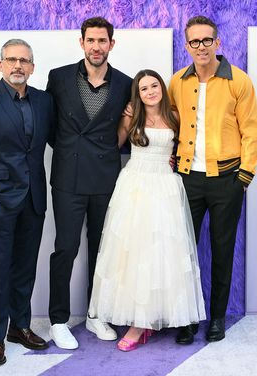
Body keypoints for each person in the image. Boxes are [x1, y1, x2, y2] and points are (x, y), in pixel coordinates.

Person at [88, 69, 206, 352]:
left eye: (155, 85)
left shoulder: (176, 116)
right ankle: (137, 322)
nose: (150, 91)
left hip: (165, 186)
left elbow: (189, 147)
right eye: (144, 88)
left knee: (163, 251)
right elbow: (114, 145)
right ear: (137, 94)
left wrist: (177, 160)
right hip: (135, 185)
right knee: (134, 251)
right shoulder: (131, 115)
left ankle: (154, 317)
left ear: (162, 89)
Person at [169, 16, 257, 345]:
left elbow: (251, 131)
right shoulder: (177, 81)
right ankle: (188, 319)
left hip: (227, 180)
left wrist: (244, 177)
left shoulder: (239, 81)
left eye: (207, 40)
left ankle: (217, 318)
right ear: (186, 46)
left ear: (218, 43)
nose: (201, 47)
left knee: (222, 251)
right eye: (194, 42)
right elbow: (169, 122)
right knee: (184, 253)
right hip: (187, 180)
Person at [46, 17, 132, 350]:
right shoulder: (59, 77)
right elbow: (51, 127)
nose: (96, 46)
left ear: (112, 44)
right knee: (65, 248)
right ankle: (58, 320)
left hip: (106, 177)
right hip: (67, 176)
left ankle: (96, 314)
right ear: (81, 42)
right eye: (91, 40)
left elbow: (127, 129)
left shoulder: (125, 83)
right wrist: (70, 152)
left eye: (103, 41)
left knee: (101, 250)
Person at [0, 38, 53, 366]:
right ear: (0, 65)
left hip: (33, 199)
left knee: (25, 269)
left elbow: (59, 139)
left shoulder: (44, 101)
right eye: (12, 60)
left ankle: (20, 327)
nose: (18, 66)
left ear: (32, 67)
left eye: (24, 61)